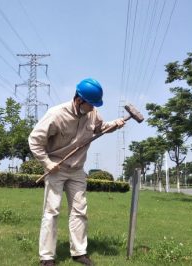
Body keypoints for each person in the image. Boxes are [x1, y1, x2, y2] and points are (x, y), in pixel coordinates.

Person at [28, 78, 125, 266]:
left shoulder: (93, 114)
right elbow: (34, 140)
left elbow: (100, 129)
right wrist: (47, 163)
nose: (94, 108)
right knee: (52, 211)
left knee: (80, 210)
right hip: (56, 167)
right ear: (79, 100)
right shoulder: (56, 114)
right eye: (91, 104)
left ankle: (79, 252)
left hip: (78, 169)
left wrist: (115, 124)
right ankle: (47, 257)